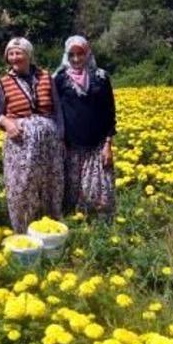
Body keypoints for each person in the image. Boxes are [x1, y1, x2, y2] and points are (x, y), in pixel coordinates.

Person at [0, 37, 64, 233]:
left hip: (49, 145)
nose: (15, 57)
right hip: (20, 144)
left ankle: (51, 228)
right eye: (11, 54)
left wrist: (60, 135)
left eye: (19, 53)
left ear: (29, 54)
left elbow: (58, 110)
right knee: (22, 186)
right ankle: (24, 229)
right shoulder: (3, 83)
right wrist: (7, 123)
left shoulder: (46, 77)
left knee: (51, 184)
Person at [53, 35, 117, 217]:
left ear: (87, 53)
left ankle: (101, 225)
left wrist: (108, 144)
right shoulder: (59, 79)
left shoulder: (101, 78)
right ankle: (76, 224)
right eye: (71, 54)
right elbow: (55, 111)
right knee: (72, 191)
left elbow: (109, 113)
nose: (76, 59)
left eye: (80, 54)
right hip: (71, 146)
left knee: (100, 190)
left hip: (97, 145)